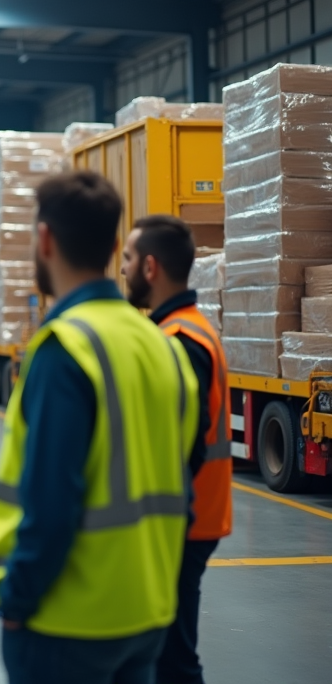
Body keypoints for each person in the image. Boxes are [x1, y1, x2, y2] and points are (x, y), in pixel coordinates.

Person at [0, 172, 199, 684]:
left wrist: (17, 600)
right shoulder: (161, 345)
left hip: (69, 619)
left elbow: (51, 502)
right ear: (112, 245)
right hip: (147, 609)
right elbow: (181, 479)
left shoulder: (65, 348)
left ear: (45, 240)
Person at [121, 215, 233, 684]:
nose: (122, 269)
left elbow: (180, 444)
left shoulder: (179, 341)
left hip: (181, 523)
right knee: (170, 652)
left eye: (127, 259)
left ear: (150, 266)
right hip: (192, 515)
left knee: (172, 660)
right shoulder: (189, 328)